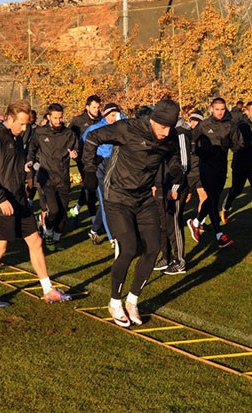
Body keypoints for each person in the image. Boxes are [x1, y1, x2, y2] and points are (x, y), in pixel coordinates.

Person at [83, 98, 181, 327]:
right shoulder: (128, 128)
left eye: (170, 127)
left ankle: (132, 301)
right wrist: (89, 169)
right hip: (117, 196)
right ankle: (115, 302)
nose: (166, 132)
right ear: (153, 120)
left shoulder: (170, 137)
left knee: (153, 248)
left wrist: (175, 171)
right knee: (128, 248)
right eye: (162, 126)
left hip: (144, 197)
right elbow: (92, 138)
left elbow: (174, 157)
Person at [0, 99, 71, 307]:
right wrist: (1, 198)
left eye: (26, 124)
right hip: (1, 201)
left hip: (19, 199)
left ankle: (48, 290)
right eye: (21, 124)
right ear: (10, 118)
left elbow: (11, 166)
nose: (24, 128)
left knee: (35, 241)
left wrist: (25, 171)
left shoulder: (17, 138)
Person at [186, 98, 243, 249]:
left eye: (222, 109)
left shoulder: (231, 125)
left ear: (226, 109)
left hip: (221, 167)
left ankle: (195, 222)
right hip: (206, 167)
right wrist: (199, 152)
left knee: (213, 198)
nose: (219, 112)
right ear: (212, 109)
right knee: (212, 198)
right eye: (217, 109)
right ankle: (219, 235)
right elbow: (193, 141)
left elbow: (239, 144)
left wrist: (230, 145)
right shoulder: (204, 124)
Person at [27, 103, 79, 251]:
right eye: (55, 118)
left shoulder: (68, 134)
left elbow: (76, 149)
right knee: (54, 210)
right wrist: (30, 161)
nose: (58, 121)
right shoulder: (40, 132)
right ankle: (48, 232)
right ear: (49, 117)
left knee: (62, 213)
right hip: (46, 178)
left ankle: (57, 239)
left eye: (60, 118)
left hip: (63, 178)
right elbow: (32, 148)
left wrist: (75, 153)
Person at [220, 101, 252, 227]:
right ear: (247, 112)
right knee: (237, 189)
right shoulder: (241, 125)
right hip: (241, 163)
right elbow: (237, 144)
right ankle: (225, 207)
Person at [81, 103, 124, 250]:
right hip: (99, 167)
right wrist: (92, 161)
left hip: (115, 167)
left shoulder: (121, 125)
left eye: (116, 115)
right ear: (105, 115)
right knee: (105, 201)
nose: (114, 118)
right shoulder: (95, 129)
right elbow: (83, 146)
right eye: (111, 115)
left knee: (112, 200)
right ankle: (113, 238)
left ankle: (94, 230)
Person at [154, 115, 192, 275]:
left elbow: (184, 164)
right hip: (161, 186)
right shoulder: (159, 134)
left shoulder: (180, 134)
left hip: (176, 187)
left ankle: (180, 261)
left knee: (173, 223)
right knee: (162, 223)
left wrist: (175, 187)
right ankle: (166, 257)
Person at [67, 95, 101, 221]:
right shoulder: (78, 121)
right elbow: (68, 137)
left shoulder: (101, 120)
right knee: (90, 188)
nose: (96, 110)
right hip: (83, 159)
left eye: (98, 107)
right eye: (94, 107)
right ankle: (94, 220)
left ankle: (76, 209)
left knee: (91, 185)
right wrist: (73, 151)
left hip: (99, 158)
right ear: (87, 107)